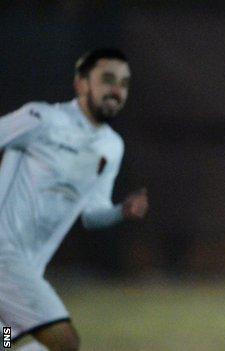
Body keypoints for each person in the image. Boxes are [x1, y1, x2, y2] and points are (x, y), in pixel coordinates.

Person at [0, 48, 149, 351]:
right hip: (5, 261)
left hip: (26, 272)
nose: (116, 90)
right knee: (64, 343)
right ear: (81, 84)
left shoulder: (111, 147)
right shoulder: (41, 118)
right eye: (107, 79)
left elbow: (91, 214)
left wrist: (121, 211)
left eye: (124, 83)